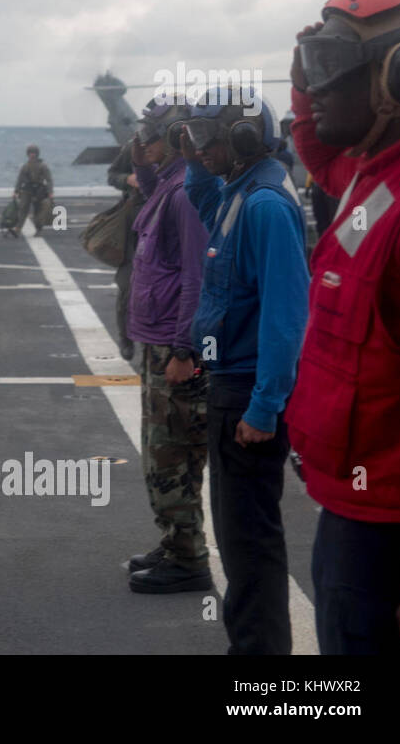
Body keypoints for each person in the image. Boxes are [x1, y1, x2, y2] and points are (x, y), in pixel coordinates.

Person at [286, 0, 400, 654]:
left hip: (390, 534)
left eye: (331, 71)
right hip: (351, 510)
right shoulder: (372, 175)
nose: (316, 88)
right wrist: (304, 82)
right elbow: (318, 151)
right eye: (312, 69)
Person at [179, 85, 310, 654]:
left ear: (243, 137)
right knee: (237, 543)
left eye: (209, 138)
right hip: (230, 385)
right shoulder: (241, 192)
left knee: (249, 546)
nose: (200, 148)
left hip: (245, 398)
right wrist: (192, 155)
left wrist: (263, 407)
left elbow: (286, 316)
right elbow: (201, 194)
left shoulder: (264, 206)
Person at [124, 97, 212, 595]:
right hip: (158, 344)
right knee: (168, 452)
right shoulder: (172, 186)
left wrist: (184, 349)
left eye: (151, 134)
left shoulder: (185, 195)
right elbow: (151, 189)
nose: (143, 140)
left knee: (170, 457)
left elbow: (196, 278)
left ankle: (187, 558)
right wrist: (140, 159)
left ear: (176, 135)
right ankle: (176, 540)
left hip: (173, 349)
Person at [106, 141, 140, 360]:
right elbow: (113, 174)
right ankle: (126, 336)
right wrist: (127, 179)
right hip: (134, 224)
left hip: (169, 222)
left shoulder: (182, 145)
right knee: (127, 284)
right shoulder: (136, 145)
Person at [11, 144, 54, 236]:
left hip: (39, 191)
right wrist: (16, 191)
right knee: (23, 209)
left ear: (37, 154)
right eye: (30, 152)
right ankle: (18, 229)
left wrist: (50, 192)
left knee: (38, 211)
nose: (32, 154)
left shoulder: (43, 166)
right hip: (27, 190)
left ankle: (38, 228)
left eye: (34, 153)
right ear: (28, 154)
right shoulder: (25, 166)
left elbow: (49, 180)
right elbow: (20, 180)